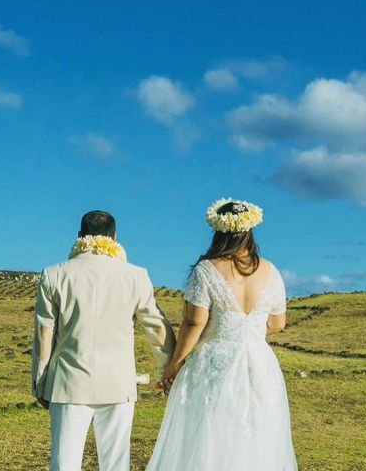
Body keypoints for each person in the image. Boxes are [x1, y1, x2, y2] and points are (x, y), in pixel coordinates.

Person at [146, 198, 298, 470]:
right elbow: (277, 323)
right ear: (249, 230)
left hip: (215, 362)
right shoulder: (270, 270)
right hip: (261, 365)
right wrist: (249, 329)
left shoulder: (207, 269)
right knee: (258, 436)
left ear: (219, 231)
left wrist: (174, 364)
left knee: (211, 435)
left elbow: (195, 323)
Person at [30, 210, 176, 471]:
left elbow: (44, 333)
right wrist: (169, 369)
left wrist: (40, 382)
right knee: (115, 464)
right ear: (114, 237)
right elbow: (157, 327)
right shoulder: (136, 276)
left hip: (68, 383)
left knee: (64, 463)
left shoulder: (54, 274)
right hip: (118, 383)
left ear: (79, 236)